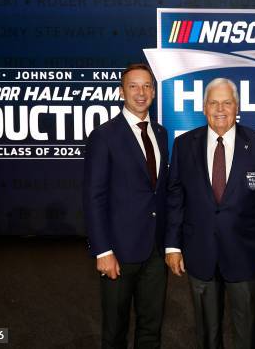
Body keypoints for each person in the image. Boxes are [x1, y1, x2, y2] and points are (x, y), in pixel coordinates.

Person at [165, 78, 255, 349]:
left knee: (249, 333)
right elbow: (176, 197)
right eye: (214, 103)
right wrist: (172, 245)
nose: (221, 109)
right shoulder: (184, 145)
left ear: (237, 107)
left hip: (247, 254)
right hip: (200, 253)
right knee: (207, 335)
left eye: (227, 102)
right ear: (204, 108)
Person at [83, 63, 168, 349]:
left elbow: (160, 192)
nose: (141, 93)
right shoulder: (104, 136)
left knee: (151, 328)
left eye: (146, 86)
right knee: (115, 331)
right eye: (133, 86)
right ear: (122, 92)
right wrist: (103, 251)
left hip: (155, 252)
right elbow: (94, 197)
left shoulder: (161, 133)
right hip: (118, 252)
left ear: (154, 92)